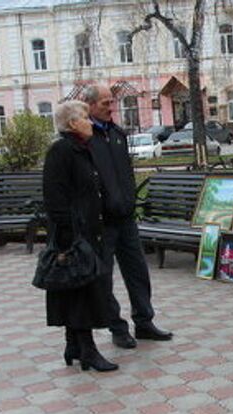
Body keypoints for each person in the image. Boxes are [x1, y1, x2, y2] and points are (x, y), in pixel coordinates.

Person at [81, 85, 172, 349]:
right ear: (88, 105)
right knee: (104, 278)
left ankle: (144, 322)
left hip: (126, 218)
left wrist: (130, 201)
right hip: (102, 222)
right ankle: (117, 328)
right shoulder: (85, 137)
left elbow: (126, 174)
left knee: (138, 272)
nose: (111, 108)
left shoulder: (117, 134)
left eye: (112, 102)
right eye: (104, 104)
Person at [42, 100, 118, 372]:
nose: (90, 121)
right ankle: (88, 351)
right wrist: (66, 240)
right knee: (82, 292)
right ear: (73, 123)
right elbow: (55, 199)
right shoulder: (61, 151)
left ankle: (73, 345)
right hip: (74, 236)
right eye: (85, 117)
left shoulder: (80, 149)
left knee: (79, 290)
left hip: (87, 232)